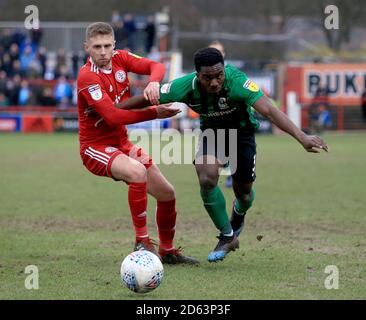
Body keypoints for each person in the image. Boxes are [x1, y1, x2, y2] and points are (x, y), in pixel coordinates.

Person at [118, 47, 329, 263]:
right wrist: (111, 108)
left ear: (224, 70)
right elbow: (146, 99)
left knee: (243, 192)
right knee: (207, 177)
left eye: (218, 75)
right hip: (214, 135)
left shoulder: (237, 81)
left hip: (242, 135)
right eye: (207, 78)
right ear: (197, 74)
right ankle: (227, 236)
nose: (214, 82)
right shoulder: (185, 86)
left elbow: (269, 110)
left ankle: (238, 216)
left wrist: (302, 137)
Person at [77, 22, 198, 265]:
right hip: (95, 148)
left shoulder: (120, 58)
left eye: (107, 46)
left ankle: (167, 251)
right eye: (97, 46)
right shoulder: (86, 76)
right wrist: (154, 112)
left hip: (121, 143)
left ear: (114, 45)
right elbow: (112, 116)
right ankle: (141, 240)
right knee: (137, 171)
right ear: (87, 47)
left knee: (167, 193)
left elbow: (156, 65)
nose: (103, 52)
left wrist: (154, 82)